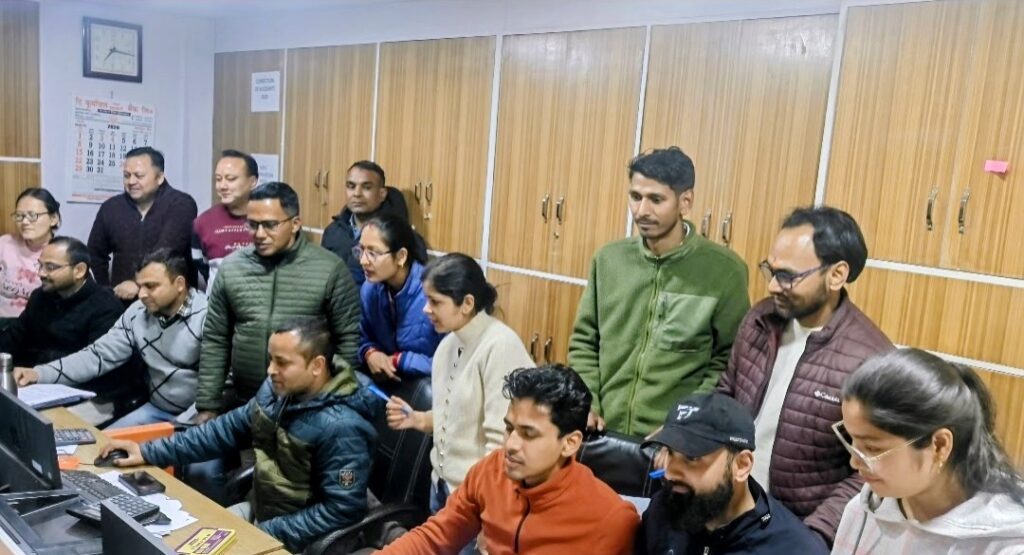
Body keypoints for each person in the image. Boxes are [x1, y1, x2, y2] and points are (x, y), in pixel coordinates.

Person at [99, 316, 379, 554]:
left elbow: (343, 510)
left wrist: (267, 531)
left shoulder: (343, 428)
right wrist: (148, 451)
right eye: (271, 360)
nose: (270, 371)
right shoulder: (277, 393)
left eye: (282, 363)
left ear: (317, 366)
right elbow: (223, 431)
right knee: (174, 543)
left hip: (305, 539)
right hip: (265, 513)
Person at [717, 206, 893, 544]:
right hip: (732, 512)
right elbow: (726, 394)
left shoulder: (871, 360)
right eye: (771, 270)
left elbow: (870, 472)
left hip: (798, 531)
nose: (772, 286)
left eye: (788, 276)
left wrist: (811, 535)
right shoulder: (759, 320)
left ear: (836, 275)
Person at [568, 146, 749, 437]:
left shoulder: (725, 271)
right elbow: (585, 342)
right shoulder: (608, 260)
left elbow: (727, 361)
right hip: (600, 430)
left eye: (656, 199)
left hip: (673, 440)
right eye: (635, 196)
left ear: (685, 202)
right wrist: (586, 402)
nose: (642, 211)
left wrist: (684, 421)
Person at [379, 365, 639, 555]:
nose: (511, 445)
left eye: (528, 434)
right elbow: (435, 538)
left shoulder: (611, 520)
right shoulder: (492, 470)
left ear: (570, 443)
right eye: (509, 428)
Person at [196, 181, 361, 424]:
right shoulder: (231, 268)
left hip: (308, 407)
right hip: (245, 402)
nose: (259, 234)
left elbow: (348, 340)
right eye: (253, 224)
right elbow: (216, 338)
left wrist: (338, 400)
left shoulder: (330, 269)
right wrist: (208, 405)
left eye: (270, 225)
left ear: (295, 224)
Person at [831, 348, 1024, 554]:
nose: (854, 462)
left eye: (872, 448)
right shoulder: (862, 511)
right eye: (851, 440)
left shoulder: (1009, 546)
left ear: (939, 445)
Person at [385, 253, 533, 517]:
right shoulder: (448, 345)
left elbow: (502, 441)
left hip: (476, 499)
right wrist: (418, 419)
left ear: (467, 303)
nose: (426, 309)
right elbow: (454, 415)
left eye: (435, 302)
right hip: (442, 487)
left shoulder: (500, 346)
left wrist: (484, 503)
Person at [15, 248, 207, 428]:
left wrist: (179, 430)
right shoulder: (137, 312)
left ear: (179, 284)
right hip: (156, 410)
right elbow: (98, 355)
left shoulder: (208, 317)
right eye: (139, 286)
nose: (141, 294)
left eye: (151, 286)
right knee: (104, 447)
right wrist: (39, 374)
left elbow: (217, 391)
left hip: (199, 417)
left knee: (192, 459)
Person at [637, 392, 829, 554]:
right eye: (670, 453)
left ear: (741, 465)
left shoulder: (794, 549)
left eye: (691, 458)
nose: (670, 473)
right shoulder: (664, 509)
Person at [0, 236, 123, 380]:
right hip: (33, 377)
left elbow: (95, 365)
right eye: (40, 265)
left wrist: (39, 371)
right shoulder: (40, 296)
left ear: (79, 270)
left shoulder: (106, 307)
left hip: (82, 385)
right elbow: (15, 338)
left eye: (50, 267)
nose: (41, 273)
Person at [88, 146, 198, 301]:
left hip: (171, 301)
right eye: (127, 176)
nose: (131, 181)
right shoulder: (111, 208)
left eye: (138, 175)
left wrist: (138, 283)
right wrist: (104, 292)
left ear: (159, 178)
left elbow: (167, 250)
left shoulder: (181, 204)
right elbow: (94, 254)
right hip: (124, 301)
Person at [357, 214, 444, 381]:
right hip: (388, 382)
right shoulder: (369, 290)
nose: (363, 261)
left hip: (430, 386)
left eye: (373, 253)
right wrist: (370, 353)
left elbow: (452, 363)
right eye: (361, 250)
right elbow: (363, 337)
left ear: (401, 256)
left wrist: (400, 360)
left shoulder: (434, 295)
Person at [322, 160, 414, 287]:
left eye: (366, 187)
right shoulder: (332, 231)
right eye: (351, 186)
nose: (357, 194)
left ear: (382, 194)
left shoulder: (398, 236)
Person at [192, 149, 258, 290]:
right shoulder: (203, 223)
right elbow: (202, 267)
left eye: (231, 179)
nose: (222, 186)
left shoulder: (269, 219)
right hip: (219, 301)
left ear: (252, 182)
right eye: (218, 179)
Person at [0, 188, 61, 322]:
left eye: (32, 215)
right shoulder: (4, 243)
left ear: (53, 219)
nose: (24, 222)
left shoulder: (64, 253)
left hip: (38, 327)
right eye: (19, 216)